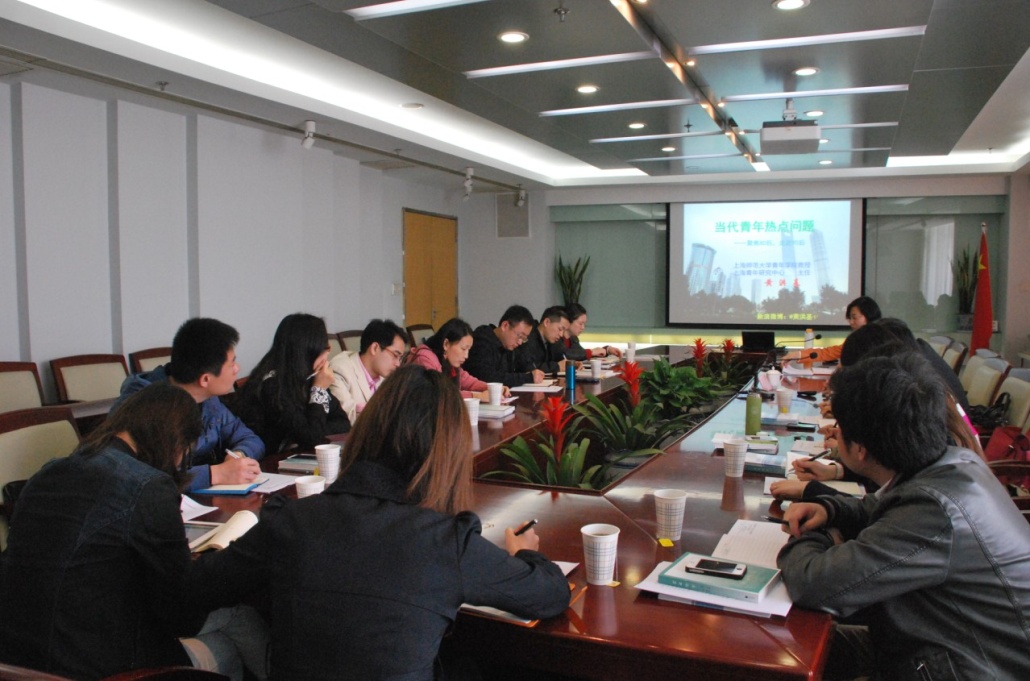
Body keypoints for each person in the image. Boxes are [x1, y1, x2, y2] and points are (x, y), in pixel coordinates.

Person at [187, 365, 571, 680]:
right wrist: (527, 554)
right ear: (448, 451)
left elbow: (202, 585)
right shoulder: (446, 541)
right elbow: (550, 594)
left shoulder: (292, 520)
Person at [777, 353, 1030, 680]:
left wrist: (810, 535)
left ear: (861, 448)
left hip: (968, 668)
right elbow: (883, 507)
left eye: (839, 429)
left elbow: (814, 585)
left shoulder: (935, 511)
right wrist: (830, 509)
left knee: (782, 652)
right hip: (940, 648)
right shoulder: (955, 463)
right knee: (787, 648)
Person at [0, 384, 268, 681]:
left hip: (16, 659)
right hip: (96, 666)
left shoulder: (49, 471)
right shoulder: (147, 485)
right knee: (230, 633)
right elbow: (181, 615)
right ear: (178, 441)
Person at [115, 317, 264, 491]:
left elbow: (250, 439)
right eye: (232, 363)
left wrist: (238, 455)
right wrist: (215, 474)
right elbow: (137, 477)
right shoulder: (143, 407)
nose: (237, 368)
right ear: (205, 379)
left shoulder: (209, 399)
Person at [235, 313, 350, 454]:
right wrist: (319, 390)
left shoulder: (310, 377)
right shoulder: (272, 385)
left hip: (300, 457)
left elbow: (344, 423)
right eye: (325, 347)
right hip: (271, 462)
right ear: (307, 350)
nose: (328, 352)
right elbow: (312, 439)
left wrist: (315, 428)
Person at [329, 318, 407, 422]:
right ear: (375, 348)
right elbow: (346, 417)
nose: (398, 364)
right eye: (395, 355)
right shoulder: (340, 370)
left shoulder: (385, 375)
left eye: (400, 358)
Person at [408, 317, 498, 401]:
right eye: (463, 349)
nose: (466, 356)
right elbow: (439, 394)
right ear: (446, 344)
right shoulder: (425, 358)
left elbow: (468, 381)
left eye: (468, 350)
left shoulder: (449, 361)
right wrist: (476, 396)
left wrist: (493, 388)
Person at [781, 296, 881, 363]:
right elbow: (828, 353)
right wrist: (797, 355)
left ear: (869, 315)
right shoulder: (855, 340)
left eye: (854, 317)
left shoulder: (881, 339)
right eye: (849, 318)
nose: (851, 322)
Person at [465, 304, 545, 387]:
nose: (520, 342)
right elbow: (488, 378)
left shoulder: (508, 345)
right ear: (505, 325)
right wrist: (527, 378)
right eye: (520, 336)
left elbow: (524, 366)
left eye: (524, 338)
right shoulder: (481, 342)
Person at [515, 305, 570, 376]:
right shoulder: (528, 337)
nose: (561, 334)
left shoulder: (551, 341)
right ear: (546, 322)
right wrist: (556, 366)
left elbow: (561, 358)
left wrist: (570, 364)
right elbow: (529, 368)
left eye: (564, 331)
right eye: (560, 329)